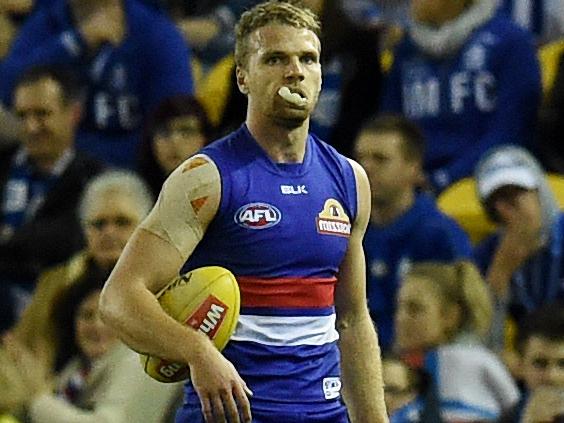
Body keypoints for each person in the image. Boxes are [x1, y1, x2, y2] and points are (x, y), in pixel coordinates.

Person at [100, 1, 388, 422]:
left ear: (321, 74)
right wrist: (196, 351)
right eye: (275, 59)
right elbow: (119, 298)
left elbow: (352, 319)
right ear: (243, 77)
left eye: (308, 59)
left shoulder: (349, 180)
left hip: (324, 414)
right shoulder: (207, 178)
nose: (295, 71)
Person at [0, 170, 153, 409]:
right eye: (98, 224)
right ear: (84, 230)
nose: (109, 232)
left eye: (122, 222)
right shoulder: (55, 283)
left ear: (146, 226)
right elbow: (18, 351)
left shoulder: (166, 284)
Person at [0, 0, 194, 168]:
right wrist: (75, 42)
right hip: (54, 173)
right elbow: (6, 87)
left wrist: (74, 152)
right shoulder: (50, 19)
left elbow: (173, 122)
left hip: (131, 177)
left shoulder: (157, 34)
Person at [381, 0, 541, 193]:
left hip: (487, 180)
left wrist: (445, 177)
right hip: (414, 183)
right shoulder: (406, 50)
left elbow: (509, 132)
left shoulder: (510, 42)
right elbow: (390, 126)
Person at [0, 63, 104, 333]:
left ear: (74, 113)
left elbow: (67, 242)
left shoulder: (93, 180)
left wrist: (11, 240)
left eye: (42, 114)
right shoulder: (3, 164)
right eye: (22, 115)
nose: (31, 126)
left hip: (57, 317)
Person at [355, 114, 473, 351]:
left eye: (380, 159)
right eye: (360, 159)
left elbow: (463, 321)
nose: (366, 168)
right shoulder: (346, 229)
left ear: (414, 168)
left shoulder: (440, 235)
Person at [2, 269, 181, 423]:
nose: (97, 326)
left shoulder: (137, 361)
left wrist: (35, 398)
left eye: (106, 316)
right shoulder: (79, 367)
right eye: (86, 315)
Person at [393, 260, 519, 421]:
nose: (401, 318)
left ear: (450, 316)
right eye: (399, 307)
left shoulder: (470, 360)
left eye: (415, 309)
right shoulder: (399, 363)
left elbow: (516, 409)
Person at [473, 145, 564, 355]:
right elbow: (481, 348)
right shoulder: (487, 255)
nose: (509, 210)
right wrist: (499, 276)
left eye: (519, 194)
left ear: (540, 193)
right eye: (498, 201)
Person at [499, 300, 564, 422]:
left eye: (563, 364)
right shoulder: (506, 418)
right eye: (540, 364)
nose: (552, 376)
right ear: (520, 366)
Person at [138, 95, 212, 198]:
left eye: (186, 130)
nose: (174, 141)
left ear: (205, 138)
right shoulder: (136, 194)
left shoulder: (225, 194)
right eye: (164, 132)